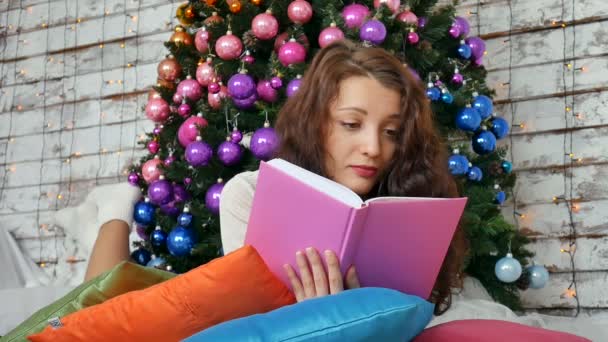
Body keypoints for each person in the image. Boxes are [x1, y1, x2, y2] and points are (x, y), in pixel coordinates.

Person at [219, 40, 468, 314]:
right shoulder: (250, 194)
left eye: (392, 132)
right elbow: (252, 322)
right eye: (351, 124)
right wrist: (319, 320)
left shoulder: (410, 198)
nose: (372, 149)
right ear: (314, 124)